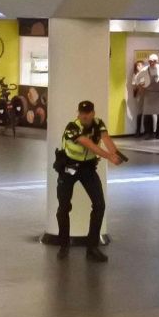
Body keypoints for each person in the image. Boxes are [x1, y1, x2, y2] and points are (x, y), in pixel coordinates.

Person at [56, 101, 123, 262]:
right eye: (81, 113)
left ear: (93, 113)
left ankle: (92, 248)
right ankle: (63, 245)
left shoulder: (98, 123)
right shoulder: (72, 127)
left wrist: (116, 154)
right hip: (69, 168)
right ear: (78, 113)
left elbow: (106, 138)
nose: (84, 116)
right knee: (64, 207)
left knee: (99, 205)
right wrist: (109, 157)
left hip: (87, 168)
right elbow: (89, 144)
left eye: (87, 113)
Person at [134, 54, 159, 140]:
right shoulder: (144, 70)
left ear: (157, 61)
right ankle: (149, 133)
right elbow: (137, 79)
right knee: (148, 114)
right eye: (150, 61)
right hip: (149, 93)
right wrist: (141, 87)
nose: (152, 63)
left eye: (154, 61)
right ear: (148, 61)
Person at [131, 60, 145, 137]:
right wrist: (139, 86)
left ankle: (148, 131)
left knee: (148, 113)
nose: (139, 67)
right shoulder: (135, 75)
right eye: (138, 65)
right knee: (139, 112)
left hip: (147, 95)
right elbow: (134, 85)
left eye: (141, 65)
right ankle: (138, 131)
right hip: (139, 95)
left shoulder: (146, 74)